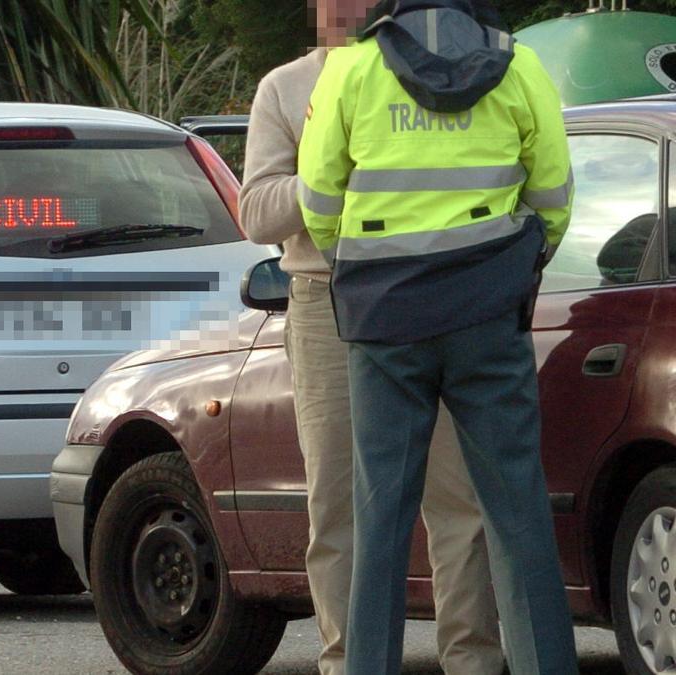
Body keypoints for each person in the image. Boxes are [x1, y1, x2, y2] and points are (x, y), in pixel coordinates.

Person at [296, 0, 578, 672]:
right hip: (487, 315)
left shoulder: (352, 69)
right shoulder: (519, 64)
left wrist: (362, 270)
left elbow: (318, 202)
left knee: (380, 520)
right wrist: (516, 265)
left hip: (385, 324)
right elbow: (556, 196)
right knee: (517, 511)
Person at [238, 1, 502, 673]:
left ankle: (473, 657)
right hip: (326, 301)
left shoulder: (434, 75)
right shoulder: (285, 87)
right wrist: (334, 171)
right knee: (339, 498)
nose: (346, 9)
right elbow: (257, 210)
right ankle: (349, 660)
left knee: (458, 494)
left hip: (432, 290)